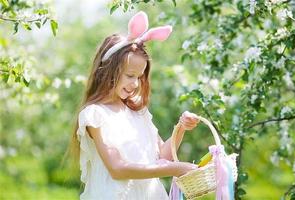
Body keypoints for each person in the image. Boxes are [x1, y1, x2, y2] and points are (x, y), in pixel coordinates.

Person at [69, 11, 200, 200]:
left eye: (139, 77)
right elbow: (118, 169)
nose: (136, 83)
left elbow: (163, 156)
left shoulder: (138, 113)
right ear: (107, 71)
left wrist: (181, 127)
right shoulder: (95, 115)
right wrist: (175, 169)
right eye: (130, 75)